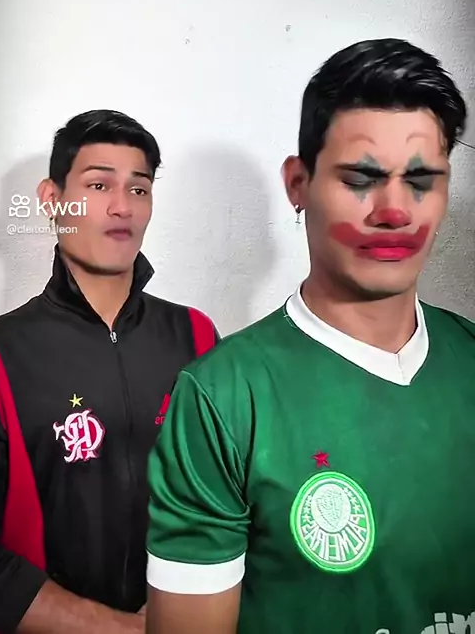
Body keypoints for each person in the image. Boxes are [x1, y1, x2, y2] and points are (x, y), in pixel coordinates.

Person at [144, 39, 475, 634]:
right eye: (362, 178)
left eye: (422, 180)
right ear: (298, 183)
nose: (395, 211)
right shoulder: (222, 398)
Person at [0, 109, 219, 634]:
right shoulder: (2, 353)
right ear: (53, 199)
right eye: (99, 185)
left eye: (139, 189)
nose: (123, 207)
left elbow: (230, 504)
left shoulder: (197, 336)